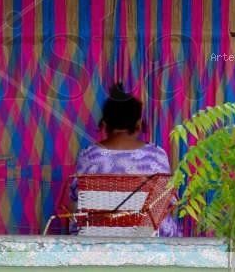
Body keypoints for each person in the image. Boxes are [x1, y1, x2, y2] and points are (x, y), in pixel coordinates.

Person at [70, 83, 179, 236]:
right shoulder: (156, 155)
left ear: (105, 123)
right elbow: (167, 202)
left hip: (95, 235)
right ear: (138, 124)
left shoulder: (88, 156)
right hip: (148, 237)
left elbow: (76, 199)